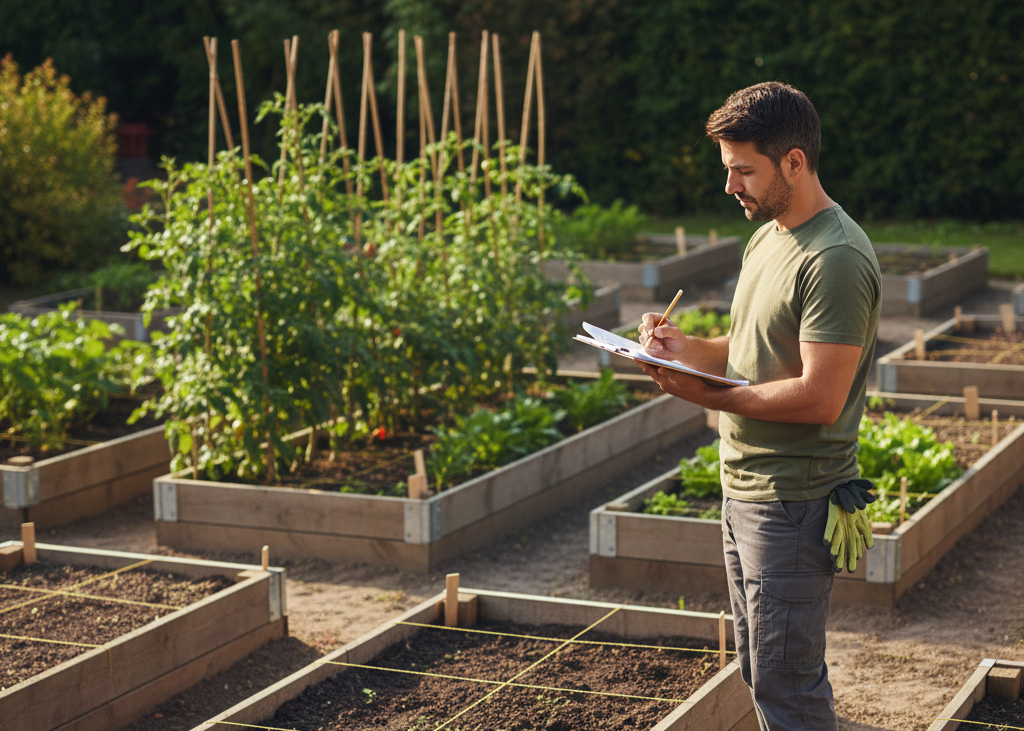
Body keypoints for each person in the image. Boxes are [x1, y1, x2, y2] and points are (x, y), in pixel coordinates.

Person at [635, 82, 881, 730]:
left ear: (794, 162)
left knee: (790, 685)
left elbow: (819, 395)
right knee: (759, 667)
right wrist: (683, 349)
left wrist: (707, 395)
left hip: (792, 501)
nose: (730, 185)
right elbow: (746, 349)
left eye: (744, 169)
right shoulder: (769, 237)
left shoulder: (835, 257)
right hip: (744, 488)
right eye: (728, 169)